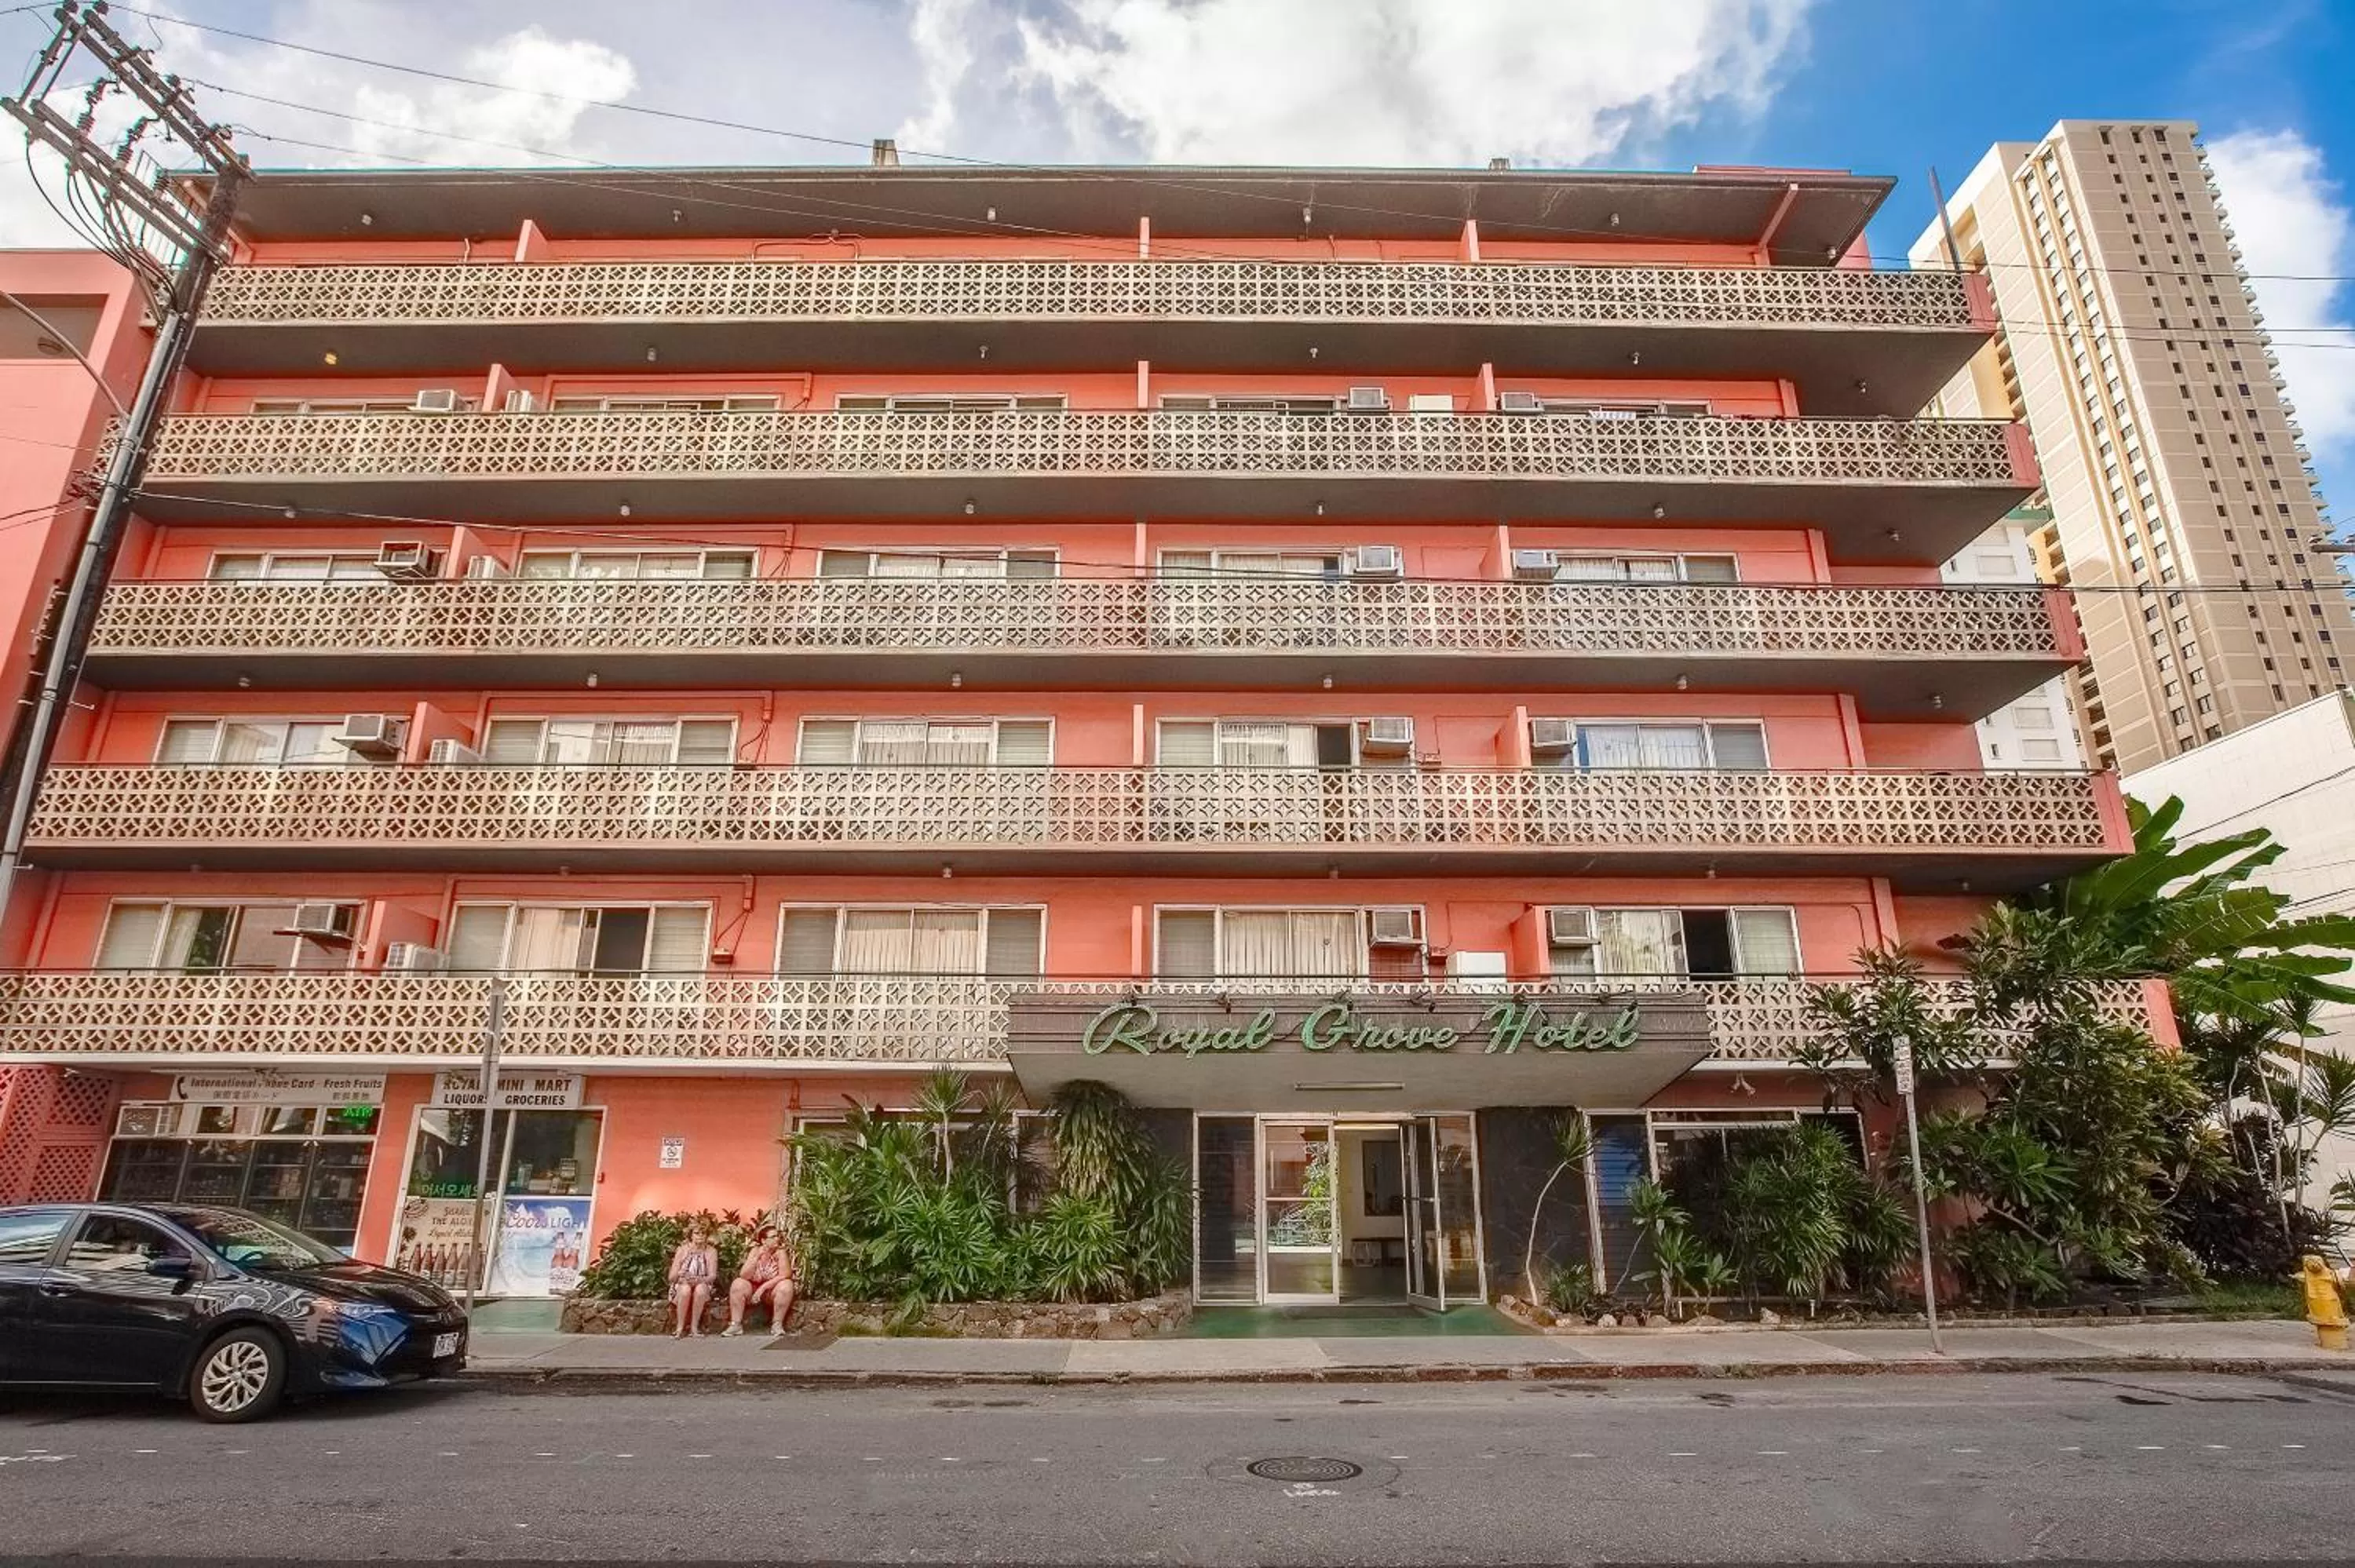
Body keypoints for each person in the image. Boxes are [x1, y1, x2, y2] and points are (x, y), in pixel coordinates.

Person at [724, 1223, 798, 1338]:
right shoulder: (755, 1251)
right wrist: (756, 1258)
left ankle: (777, 1325)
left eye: (777, 1236)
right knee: (738, 1283)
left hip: (771, 1291)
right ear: (763, 1241)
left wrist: (762, 1288)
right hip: (752, 1289)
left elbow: (785, 1275)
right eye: (773, 1237)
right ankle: (736, 1325)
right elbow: (744, 1275)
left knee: (787, 1285)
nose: (777, 1239)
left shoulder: (780, 1253)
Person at [666, 1221, 719, 1338]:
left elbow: (712, 1276)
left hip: (703, 1283)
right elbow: (671, 1277)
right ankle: (679, 1328)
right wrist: (681, 1274)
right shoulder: (682, 1250)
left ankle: (694, 1328)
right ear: (691, 1235)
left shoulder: (711, 1251)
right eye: (697, 1233)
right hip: (682, 1284)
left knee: (700, 1289)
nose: (700, 1236)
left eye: (703, 1233)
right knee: (685, 1290)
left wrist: (699, 1280)